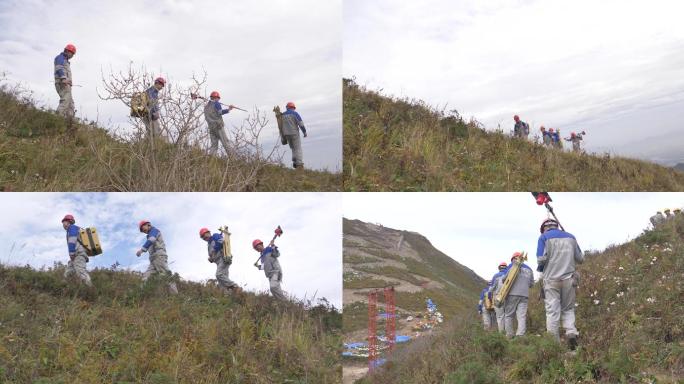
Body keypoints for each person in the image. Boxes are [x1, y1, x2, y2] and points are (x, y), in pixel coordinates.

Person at [537, 218, 584, 350]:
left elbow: (541, 259)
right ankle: (571, 333)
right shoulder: (571, 237)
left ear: (544, 228)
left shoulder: (543, 238)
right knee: (568, 309)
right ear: (557, 226)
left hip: (551, 281)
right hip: (569, 279)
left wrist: (543, 266)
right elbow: (581, 259)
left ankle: (554, 345)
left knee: (552, 312)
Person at [136, 220, 178, 294]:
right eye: (142, 230)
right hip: (153, 260)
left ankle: (175, 296)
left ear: (148, 225)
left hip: (159, 257)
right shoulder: (149, 235)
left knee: (166, 275)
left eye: (143, 228)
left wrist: (141, 250)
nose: (143, 231)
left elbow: (152, 239)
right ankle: (140, 294)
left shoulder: (154, 231)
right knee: (146, 276)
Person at [502, 252, 534, 338]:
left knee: (509, 315)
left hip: (512, 294)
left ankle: (509, 335)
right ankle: (520, 335)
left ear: (513, 259)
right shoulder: (530, 269)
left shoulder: (512, 266)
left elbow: (504, 279)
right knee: (521, 316)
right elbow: (531, 284)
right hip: (524, 295)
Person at [199, 227, 240, 294]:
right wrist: (211, 259)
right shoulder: (209, 245)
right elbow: (212, 255)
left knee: (219, 274)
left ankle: (235, 286)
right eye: (202, 237)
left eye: (204, 235)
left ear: (209, 233)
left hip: (223, 258)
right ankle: (227, 295)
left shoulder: (215, 236)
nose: (204, 237)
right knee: (222, 281)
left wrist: (214, 250)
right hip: (218, 262)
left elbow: (221, 241)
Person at [61, 214, 92, 286]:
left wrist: (71, 253)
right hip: (75, 255)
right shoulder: (74, 229)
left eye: (64, 222)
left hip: (78, 254)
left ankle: (90, 288)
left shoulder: (72, 228)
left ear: (68, 222)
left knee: (81, 271)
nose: (63, 224)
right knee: (68, 273)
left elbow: (72, 240)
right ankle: (63, 288)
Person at [203, 91, 235, 156]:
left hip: (211, 128)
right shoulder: (217, 104)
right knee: (226, 143)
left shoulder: (206, 107)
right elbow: (220, 112)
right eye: (218, 98)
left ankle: (211, 160)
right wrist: (229, 109)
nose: (218, 100)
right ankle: (233, 160)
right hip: (218, 126)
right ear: (217, 98)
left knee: (214, 145)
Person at [281, 102, 307, 169]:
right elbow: (300, 123)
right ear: (293, 107)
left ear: (287, 107)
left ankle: (295, 162)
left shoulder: (282, 115)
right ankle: (299, 164)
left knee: (293, 148)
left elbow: (280, 126)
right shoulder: (295, 113)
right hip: (294, 133)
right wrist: (304, 132)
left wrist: (283, 137)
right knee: (298, 148)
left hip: (286, 134)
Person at [54, 44, 76, 119]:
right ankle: (57, 119)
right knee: (65, 101)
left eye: (73, 54)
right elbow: (59, 68)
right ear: (67, 51)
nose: (72, 55)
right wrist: (63, 78)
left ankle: (69, 122)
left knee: (70, 104)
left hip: (66, 84)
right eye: (72, 53)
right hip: (62, 83)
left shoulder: (66, 61)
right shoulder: (60, 58)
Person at [489, 262, 508, 333]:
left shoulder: (496, 276)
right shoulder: (509, 273)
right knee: (508, 316)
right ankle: (508, 333)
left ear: (499, 267)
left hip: (498, 297)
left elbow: (491, 288)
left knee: (500, 317)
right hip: (508, 297)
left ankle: (501, 334)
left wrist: (490, 297)